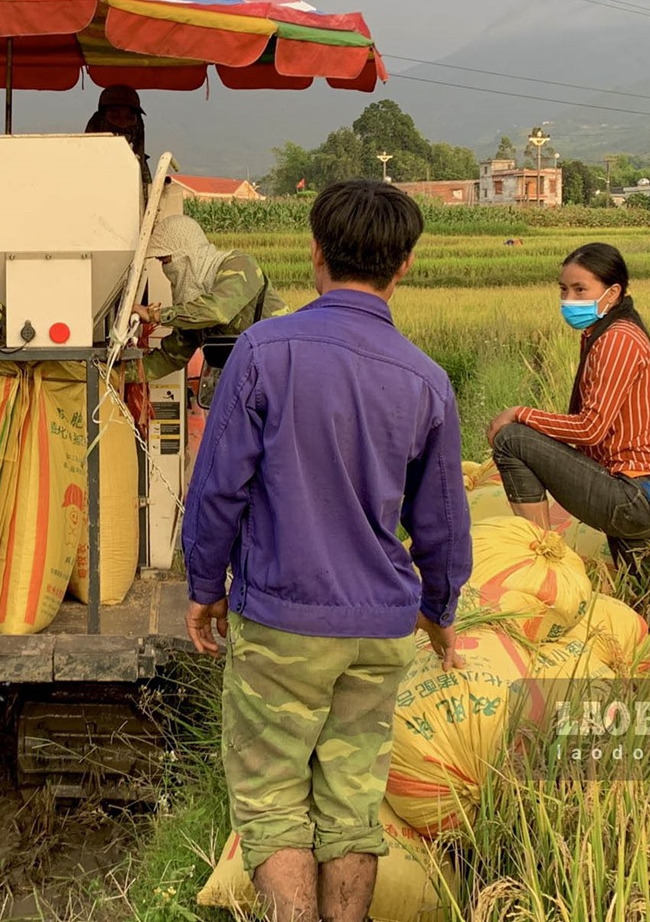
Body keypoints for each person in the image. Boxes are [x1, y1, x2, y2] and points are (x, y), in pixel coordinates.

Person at [183, 180, 473, 922]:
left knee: (274, 801)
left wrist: (203, 584)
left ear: (315, 250)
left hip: (282, 620)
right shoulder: (426, 380)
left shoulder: (262, 351)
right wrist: (438, 607)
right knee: (351, 806)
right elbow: (441, 519)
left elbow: (219, 486)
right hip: (378, 627)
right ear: (404, 265)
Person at [485, 242, 650, 595]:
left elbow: (589, 429)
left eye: (581, 289)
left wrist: (520, 413)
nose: (569, 298)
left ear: (612, 293)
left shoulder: (617, 340)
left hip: (633, 495)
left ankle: (544, 558)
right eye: (563, 289)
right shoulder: (609, 333)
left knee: (513, 438)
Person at [134, 214, 288, 403]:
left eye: (166, 260)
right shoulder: (192, 311)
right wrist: (115, 374)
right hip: (252, 388)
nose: (166, 269)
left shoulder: (239, 265)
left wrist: (155, 315)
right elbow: (170, 357)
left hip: (286, 374)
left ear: (187, 254)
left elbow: (217, 310)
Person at [84, 84, 149, 178]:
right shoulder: (80, 168)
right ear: (100, 121)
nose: (122, 123)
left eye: (130, 118)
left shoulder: (143, 174)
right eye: (114, 116)